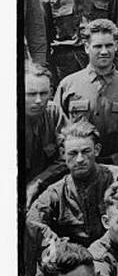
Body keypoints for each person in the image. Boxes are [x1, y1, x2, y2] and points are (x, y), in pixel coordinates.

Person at [53, 19, 118, 176]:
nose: (104, 51)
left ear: (116, 46)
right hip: (79, 167)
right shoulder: (68, 85)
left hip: (116, 169)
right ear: (87, 47)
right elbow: (58, 134)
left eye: (109, 45)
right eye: (98, 46)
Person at [27, 122, 118, 249]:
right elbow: (32, 223)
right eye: (73, 153)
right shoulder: (57, 192)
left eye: (86, 151)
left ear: (97, 150)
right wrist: (59, 246)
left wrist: (97, 251)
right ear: (63, 153)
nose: (80, 159)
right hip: (73, 256)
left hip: (115, 251)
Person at [25, 64, 69, 194]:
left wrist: (39, 182)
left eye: (44, 93)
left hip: (47, 187)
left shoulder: (53, 112)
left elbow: (69, 154)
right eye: (31, 94)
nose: (38, 100)